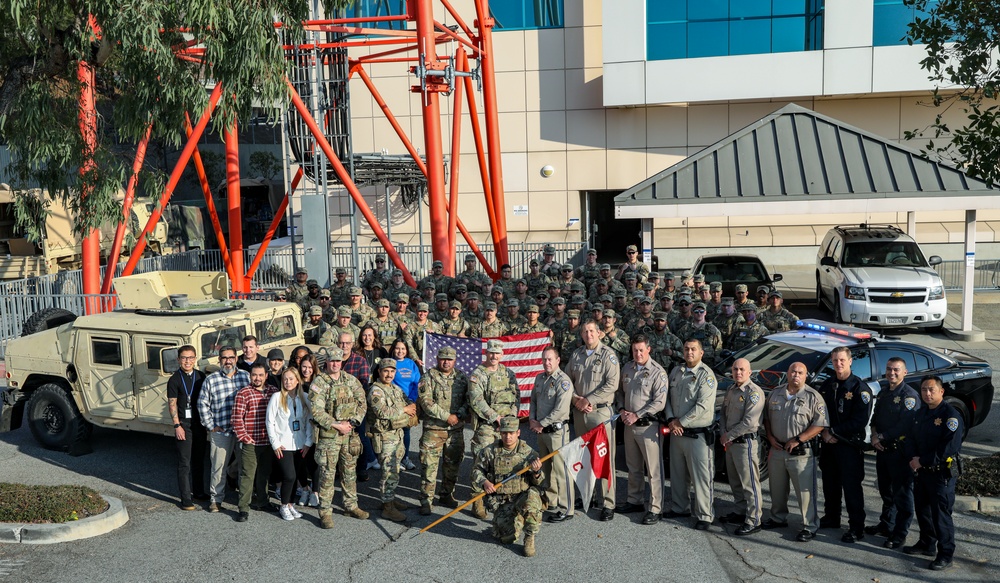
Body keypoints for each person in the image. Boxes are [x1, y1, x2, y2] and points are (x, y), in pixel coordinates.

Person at [903, 375, 963, 571]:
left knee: (941, 516)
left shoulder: (950, 416)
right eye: (924, 390)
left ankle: (946, 554)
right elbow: (911, 438)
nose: (927, 394)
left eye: (931, 390)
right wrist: (914, 459)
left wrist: (922, 460)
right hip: (922, 472)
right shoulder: (921, 413)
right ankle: (927, 543)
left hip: (940, 475)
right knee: (923, 510)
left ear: (941, 392)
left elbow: (948, 448)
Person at [762, 362, 828, 542]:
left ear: (806, 375)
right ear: (788, 373)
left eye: (800, 373)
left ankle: (809, 526)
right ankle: (778, 518)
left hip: (800, 453)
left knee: (805, 493)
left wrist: (799, 439)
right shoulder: (776, 393)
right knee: (777, 488)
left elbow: (820, 424)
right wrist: (769, 436)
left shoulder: (813, 397)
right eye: (793, 372)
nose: (796, 375)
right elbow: (766, 418)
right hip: (777, 449)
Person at [565, 320, 620, 521]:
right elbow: (566, 381)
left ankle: (607, 502)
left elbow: (612, 384)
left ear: (599, 333)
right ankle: (587, 495)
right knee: (584, 456)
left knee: (604, 458)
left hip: (600, 413)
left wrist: (589, 399)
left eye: (592, 331)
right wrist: (576, 399)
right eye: (585, 331)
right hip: (580, 413)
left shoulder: (608, 355)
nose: (588, 334)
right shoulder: (576, 355)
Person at [309, 346, 369, 528]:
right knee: (327, 475)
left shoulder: (351, 381)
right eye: (331, 361)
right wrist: (337, 425)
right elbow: (316, 411)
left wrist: (352, 422)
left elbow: (362, 403)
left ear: (341, 362)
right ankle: (325, 512)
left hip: (349, 435)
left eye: (338, 361)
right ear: (326, 362)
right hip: (329, 437)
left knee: (349, 472)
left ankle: (351, 505)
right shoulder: (319, 383)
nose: (335, 364)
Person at [818, 346, 874, 543]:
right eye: (835, 361)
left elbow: (860, 421)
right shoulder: (827, 385)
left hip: (849, 447)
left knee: (851, 488)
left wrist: (833, 432)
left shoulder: (859, 389)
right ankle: (832, 517)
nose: (838, 364)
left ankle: (856, 528)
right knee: (830, 484)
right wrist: (824, 432)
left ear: (850, 361)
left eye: (842, 360)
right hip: (828, 445)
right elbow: (820, 413)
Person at [471, 416, 544, 557]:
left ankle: (529, 537)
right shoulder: (490, 451)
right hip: (502, 500)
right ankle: (517, 520)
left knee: (532, 501)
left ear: (518, 433)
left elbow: (540, 482)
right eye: (504, 433)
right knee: (506, 538)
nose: (508, 437)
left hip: (522, 496)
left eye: (511, 433)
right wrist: (485, 482)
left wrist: (536, 472)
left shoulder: (528, 452)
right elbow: (476, 470)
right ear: (500, 432)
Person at [663, 339, 717, 530]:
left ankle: (704, 514)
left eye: (694, 349)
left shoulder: (706, 375)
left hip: (697, 435)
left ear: (701, 353)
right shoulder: (676, 371)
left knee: (701, 477)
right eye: (686, 349)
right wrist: (671, 420)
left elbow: (703, 406)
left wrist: (680, 422)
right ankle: (680, 507)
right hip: (676, 432)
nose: (689, 352)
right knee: (677, 474)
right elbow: (667, 398)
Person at [615, 335, 668, 526]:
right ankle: (634, 500)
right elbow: (620, 393)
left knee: (653, 470)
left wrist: (637, 414)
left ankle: (655, 508)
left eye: (641, 350)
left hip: (648, 427)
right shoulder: (627, 368)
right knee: (633, 466)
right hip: (629, 426)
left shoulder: (657, 372)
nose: (637, 353)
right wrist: (621, 410)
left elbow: (659, 402)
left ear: (649, 350)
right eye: (634, 350)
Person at [869, 357, 920, 548]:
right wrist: (875, 435)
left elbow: (905, 425)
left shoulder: (909, 396)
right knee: (886, 492)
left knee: (902, 496)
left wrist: (880, 436)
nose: (892, 373)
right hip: (883, 451)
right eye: (889, 369)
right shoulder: (884, 392)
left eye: (896, 370)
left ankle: (899, 534)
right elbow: (875, 418)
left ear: (904, 372)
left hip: (900, 454)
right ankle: (886, 525)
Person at [467, 338, 521, 520]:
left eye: (497, 353)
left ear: (502, 354)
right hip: (487, 426)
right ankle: (477, 501)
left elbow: (516, 396)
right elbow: (476, 400)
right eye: (491, 352)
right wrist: (496, 418)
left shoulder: (509, 373)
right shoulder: (478, 374)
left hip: (506, 426)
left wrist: (511, 419)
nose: (494, 356)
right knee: (481, 460)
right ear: (486, 353)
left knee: (504, 461)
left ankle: (501, 496)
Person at [197, 346, 251, 513]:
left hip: (242, 431)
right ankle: (216, 499)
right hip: (221, 430)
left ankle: (244, 499)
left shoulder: (245, 377)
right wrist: (211, 425)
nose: (228, 361)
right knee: (218, 466)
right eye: (224, 358)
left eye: (231, 357)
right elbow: (202, 404)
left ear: (236, 359)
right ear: (219, 360)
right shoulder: (211, 380)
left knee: (244, 466)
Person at [417, 346, 469, 515]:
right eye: (443, 358)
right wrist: (447, 416)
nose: (446, 362)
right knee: (429, 467)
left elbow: (469, 400)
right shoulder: (429, 376)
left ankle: (446, 494)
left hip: (455, 430)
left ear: (455, 360)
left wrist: (459, 414)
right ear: (438, 359)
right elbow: (426, 402)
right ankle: (426, 499)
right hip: (434, 430)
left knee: (452, 465)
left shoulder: (461, 378)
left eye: (450, 359)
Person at [367, 358, 417, 522]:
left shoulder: (395, 389)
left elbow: (407, 402)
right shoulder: (376, 391)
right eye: (385, 371)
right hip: (385, 437)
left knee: (394, 471)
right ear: (380, 372)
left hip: (397, 435)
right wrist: (404, 410)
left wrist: (411, 408)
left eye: (392, 371)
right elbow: (382, 412)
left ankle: (390, 498)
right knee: (388, 472)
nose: (389, 374)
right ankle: (387, 508)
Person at [528, 346, 575, 523]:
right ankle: (552, 500)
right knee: (547, 469)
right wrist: (532, 420)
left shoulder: (564, 381)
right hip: (541, 432)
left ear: (558, 360)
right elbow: (533, 401)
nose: (547, 362)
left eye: (550, 359)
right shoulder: (540, 378)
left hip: (557, 432)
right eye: (544, 359)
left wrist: (541, 423)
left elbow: (560, 409)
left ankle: (567, 508)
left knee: (562, 470)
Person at [720, 358, 765, 535]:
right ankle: (740, 511)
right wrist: (724, 433)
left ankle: (754, 519)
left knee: (749, 484)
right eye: (735, 369)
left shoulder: (754, 393)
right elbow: (723, 413)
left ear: (750, 372)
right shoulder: (731, 390)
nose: (738, 372)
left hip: (745, 442)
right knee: (735, 481)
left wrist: (727, 436)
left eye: (742, 370)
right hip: (730, 443)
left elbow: (749, 421)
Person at [232, 363, 279, 522]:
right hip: (251, 442)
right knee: (247, 475)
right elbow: (237, 419)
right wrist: (245, 437)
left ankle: (263, 502)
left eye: (260, 375)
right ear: (250, 376)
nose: (257, 378)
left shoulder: (274, 392)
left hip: (267, 441)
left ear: (266, 375)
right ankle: (243, 508)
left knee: (264, 474)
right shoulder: (243, 394)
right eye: (254, 375)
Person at [267, 368, 314, 521]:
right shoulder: (276, 397)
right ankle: (283, 505)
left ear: (298, 380)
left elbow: (309, 421)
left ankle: (290, 504)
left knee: (295, 477)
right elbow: (270, 421)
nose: (288, 382)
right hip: (283, 445)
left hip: (300, 444)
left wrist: (308, 441)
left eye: (291, 379)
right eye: (285, 379)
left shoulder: (305, 397)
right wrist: (275, 444)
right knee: (289, 475)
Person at [167, 345, 207, 510]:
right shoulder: (174, 379)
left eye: (190, 358)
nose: (187, 361)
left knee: (199, 460)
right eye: (184, 358)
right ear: (178, 360)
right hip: (184, 425)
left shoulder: (201, 376)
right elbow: (172, 404)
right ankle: (185, 498)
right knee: (185, 462)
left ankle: (198, 492)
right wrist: (177, 425)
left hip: (199, 424)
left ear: (195, 358)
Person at [390, 338, 421, 471]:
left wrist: (412, 401)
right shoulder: (390, 363)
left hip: (409, 401)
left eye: (403, 349)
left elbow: (417, 383)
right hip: (394, 402)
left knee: (406, 431)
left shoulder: (411, 364)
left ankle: (405, 458)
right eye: (397, 348)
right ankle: (393, 460)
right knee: (393, 431)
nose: (400, 351)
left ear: (407, 351)